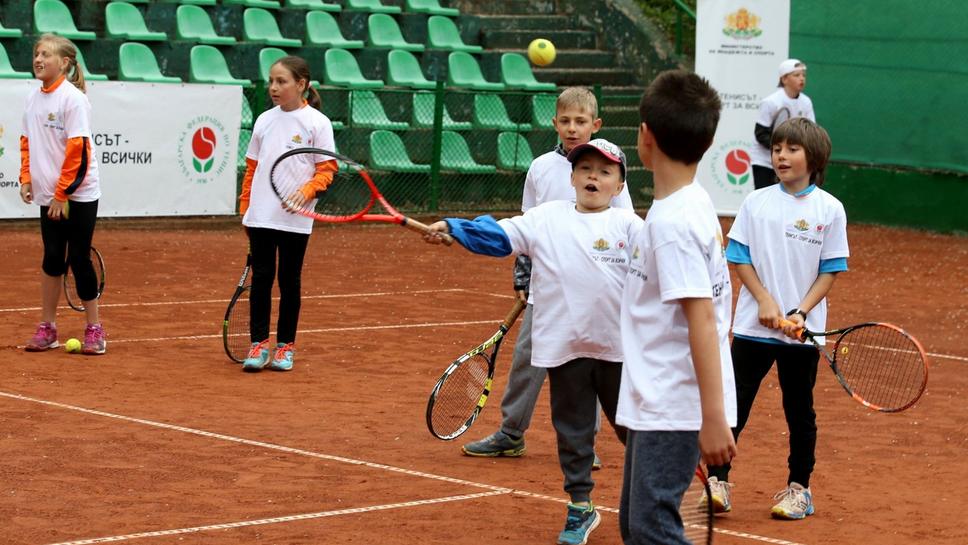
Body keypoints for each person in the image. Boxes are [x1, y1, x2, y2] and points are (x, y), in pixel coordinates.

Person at [425, 139, 642, 545]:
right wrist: (456, 228)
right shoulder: (546, 217)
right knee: (573, 432)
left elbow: (659, 278)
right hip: (564, 349)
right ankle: (580, 507)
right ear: (572, 176)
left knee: (635, 431)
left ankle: (654, 499)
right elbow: (499, 235)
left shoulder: (630, 227)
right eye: (585, 168)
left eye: (605, 171)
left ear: (619, 185)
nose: (593, 175)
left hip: (619, 351)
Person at [461, 87, 634, 469]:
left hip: (595, 293)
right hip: (547, 290)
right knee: (527, 360)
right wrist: (522, 277)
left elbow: (627, 230)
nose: (573, 129)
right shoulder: (540, 167)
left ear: (596, 124)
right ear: (554, 123)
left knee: (589, 364)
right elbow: (524, 229)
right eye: (566, 121)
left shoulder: (610, 165)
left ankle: (585, 443)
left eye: (582, 122)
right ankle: (510, 433)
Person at [704, 117, 848, 520]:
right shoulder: (756, 202)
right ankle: (717, 482)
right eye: (777, 149)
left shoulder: (830, 209)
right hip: (752, 329)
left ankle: (799, 489)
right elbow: (739, 256)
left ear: (814, 158)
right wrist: (765, 301)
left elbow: (830, 269)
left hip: (802, 335)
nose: (781, 156)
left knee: (799, 412)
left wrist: (801, 311)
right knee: (733, 406)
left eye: (792, 149)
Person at [616, 70, 738, 544]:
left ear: (644, 137)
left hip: (676, 403)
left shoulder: (673, 224)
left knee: (651, 531)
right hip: (659, 398)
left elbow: (703, 321)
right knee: (638, 524)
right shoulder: (689, 203)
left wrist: (711, 417)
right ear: (708, 145)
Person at [238, 56, 336, 372]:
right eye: (272, 81)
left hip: (297, 217)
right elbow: (251, 170)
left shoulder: (318, 123)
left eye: (281, 82)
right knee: (262, 278)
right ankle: (258, 346)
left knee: (289, 281)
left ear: (301, 85)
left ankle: (285, 347)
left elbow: (326, 171)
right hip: (261, 215)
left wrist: (305, 193)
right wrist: (245, 211)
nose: (274, 88)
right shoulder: (264, 120)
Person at [19, 34, 106, 355]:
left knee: (78, 258)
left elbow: (78, 152)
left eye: (46, 55)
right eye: (36, 54)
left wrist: (62, 194)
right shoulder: (32, 99)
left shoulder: (73, 99)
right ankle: (48, 327)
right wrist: (26, 177)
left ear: (65, 64)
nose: (38, 59)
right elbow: (26, 141)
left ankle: (94, 329)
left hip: (78, 194)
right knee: (53, 257)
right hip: (48, 195)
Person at [751, 59, 815, 190]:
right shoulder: (770, 102)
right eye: (796, 75)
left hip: (792, 162)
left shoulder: (806, 102)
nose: (801, 79)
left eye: (803, 75)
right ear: (784, 79)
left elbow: (811, 132)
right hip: (764, 162)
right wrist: (782, 149)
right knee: (765, 200)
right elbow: (760, 134)